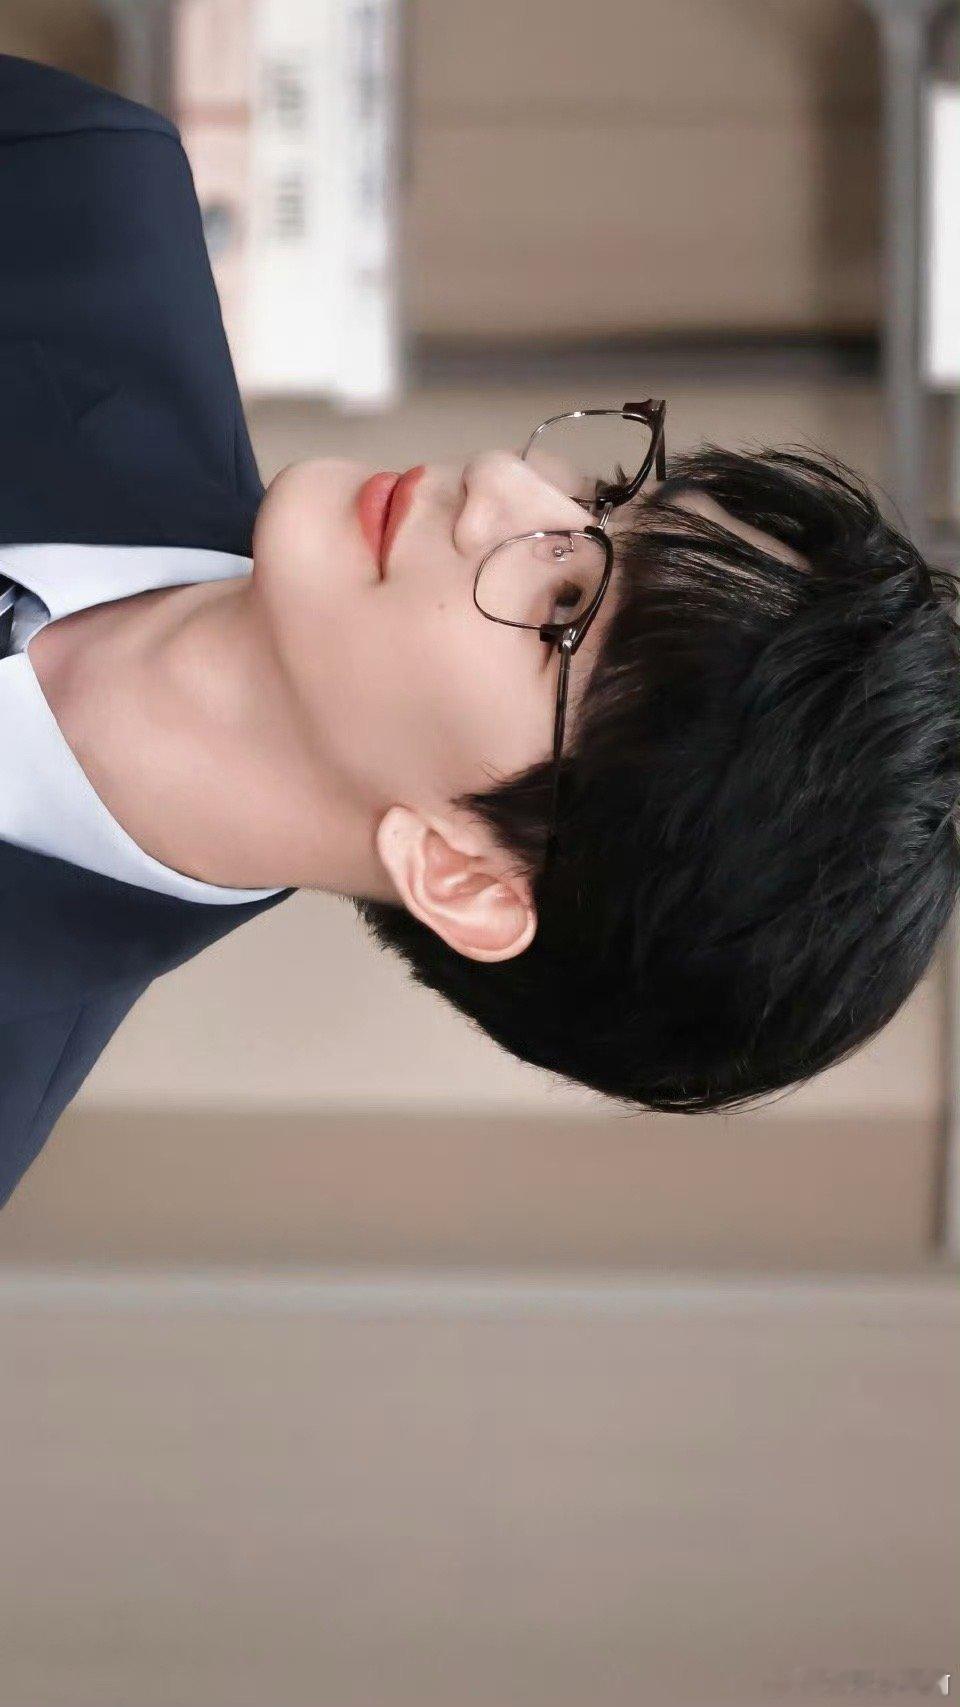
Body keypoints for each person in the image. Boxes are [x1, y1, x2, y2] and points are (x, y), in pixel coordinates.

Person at [2, 52, 959, 1209]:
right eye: (602, 496)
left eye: (564, 607)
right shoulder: (69, 195)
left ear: (466, 878)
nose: (503, 485)